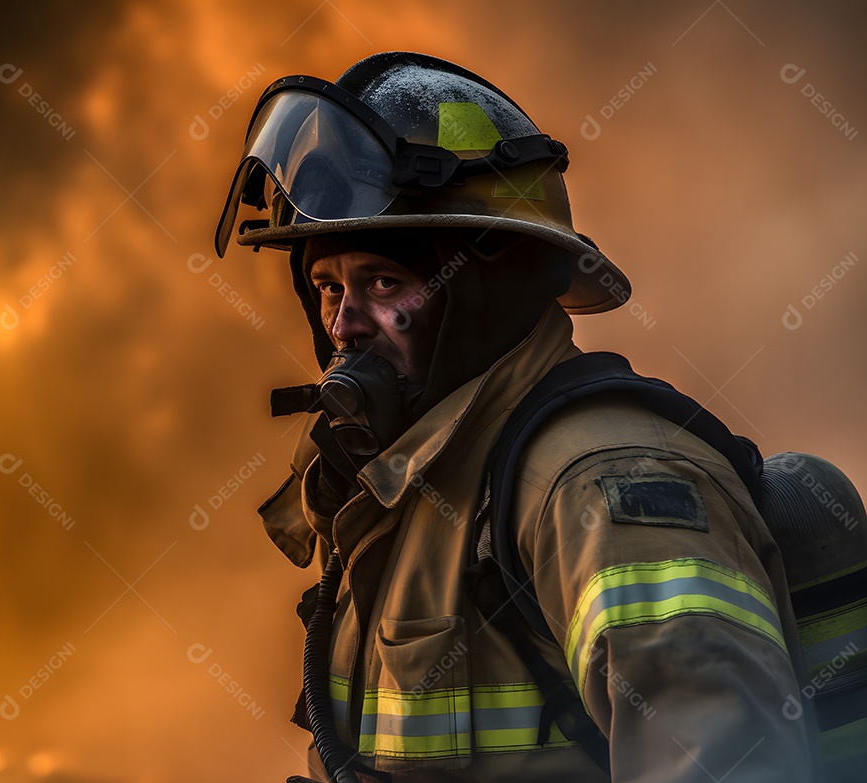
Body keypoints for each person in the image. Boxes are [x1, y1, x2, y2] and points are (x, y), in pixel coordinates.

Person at [214, 52, 823, 782]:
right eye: (325, 285)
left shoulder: (600, 485)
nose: (344, 324)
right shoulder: (406, 481)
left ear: (480, 292)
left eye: (383, 281)